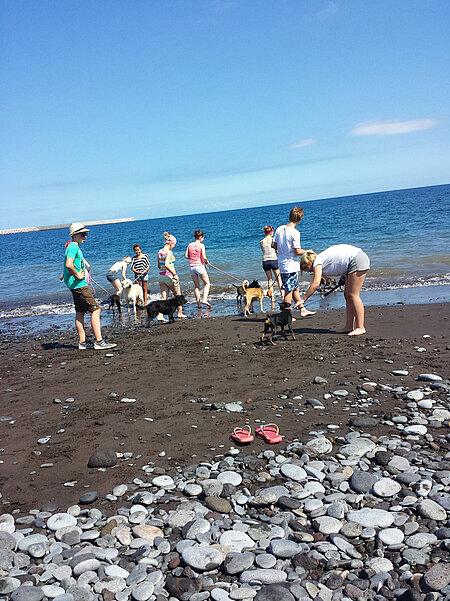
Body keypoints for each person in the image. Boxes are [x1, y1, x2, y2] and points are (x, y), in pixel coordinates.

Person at [63, 223, 117, 350]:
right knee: (96, 309)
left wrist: (85, 267)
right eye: (83, 234)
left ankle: (82, 343)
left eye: (86, 234)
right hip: (79, 285)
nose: (85, 236)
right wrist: (78, 275)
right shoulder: (73, 247)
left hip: (75, 285)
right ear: (75, 235)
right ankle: (99, 341)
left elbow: (71, 264)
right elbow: (68, 264)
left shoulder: (74, 247)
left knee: (80, 312)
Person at [298, 244, 370, 336]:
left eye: (306, 268)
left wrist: (303, 300)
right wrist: (343, 277)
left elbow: (315, 284)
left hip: (357, 260)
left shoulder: (317, 261)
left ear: (310, 261)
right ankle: (349, 326)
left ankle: (360, 327)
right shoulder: (320, 259)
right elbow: (340, 262)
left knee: (353, 295)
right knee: (347, 295)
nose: (307, 271)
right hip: (353, 261)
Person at [272, 207, 315, 317]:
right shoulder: (295, 232)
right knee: (288, 291)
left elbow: (274, 245)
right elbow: (297, 251)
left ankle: (302, 309)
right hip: (290, 266)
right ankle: (285, 315)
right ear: (300, 218)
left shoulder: (280, 228)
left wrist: (282, 251)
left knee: (295, 288)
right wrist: (308, 251)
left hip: (282, 264)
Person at [157, 232, 187, 320]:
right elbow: (166, 264)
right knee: (178, 295)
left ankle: (160, 315)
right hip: (169, 275)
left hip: (161, 276)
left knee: (164, 297)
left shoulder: (160, 251)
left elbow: (159, 266)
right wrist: (174, 274)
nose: (174, 246)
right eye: (174, 244)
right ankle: (180, 313)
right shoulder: (169, 252)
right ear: (171, 243)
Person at [185, 229, 211, 309]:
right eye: (203, 238)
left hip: (192, 267)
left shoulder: (190, 244)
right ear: (200, 237)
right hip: (199, 266)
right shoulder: (201, 245)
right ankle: (204, 299)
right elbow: (204, 257)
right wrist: (207, 262)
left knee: (196, 286)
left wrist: (193, 257)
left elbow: (186, 256)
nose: (203, 240)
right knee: (207, 283)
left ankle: (199, 304)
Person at [260, 225, 284, 305]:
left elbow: (263, 251)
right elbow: (277, 251)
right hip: (273, 260)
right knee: (279, 279)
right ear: (271, 232)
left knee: (270, 280)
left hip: (265, 261)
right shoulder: (273, 240)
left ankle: (272, 297)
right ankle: (282, 295)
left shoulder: (261, 241)